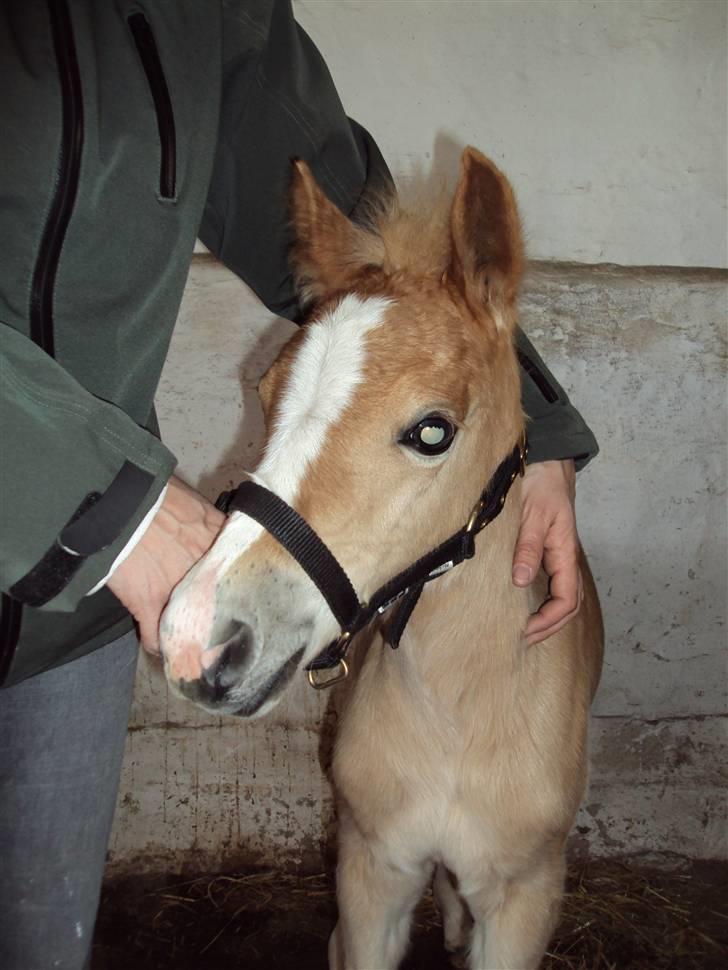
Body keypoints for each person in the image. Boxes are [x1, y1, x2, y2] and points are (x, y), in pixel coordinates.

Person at [0, 1, 598, 967]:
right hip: (105, 536)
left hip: (81, 609)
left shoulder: (207, 17)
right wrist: (110, 513)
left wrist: (542, 424)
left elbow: (354, 217)